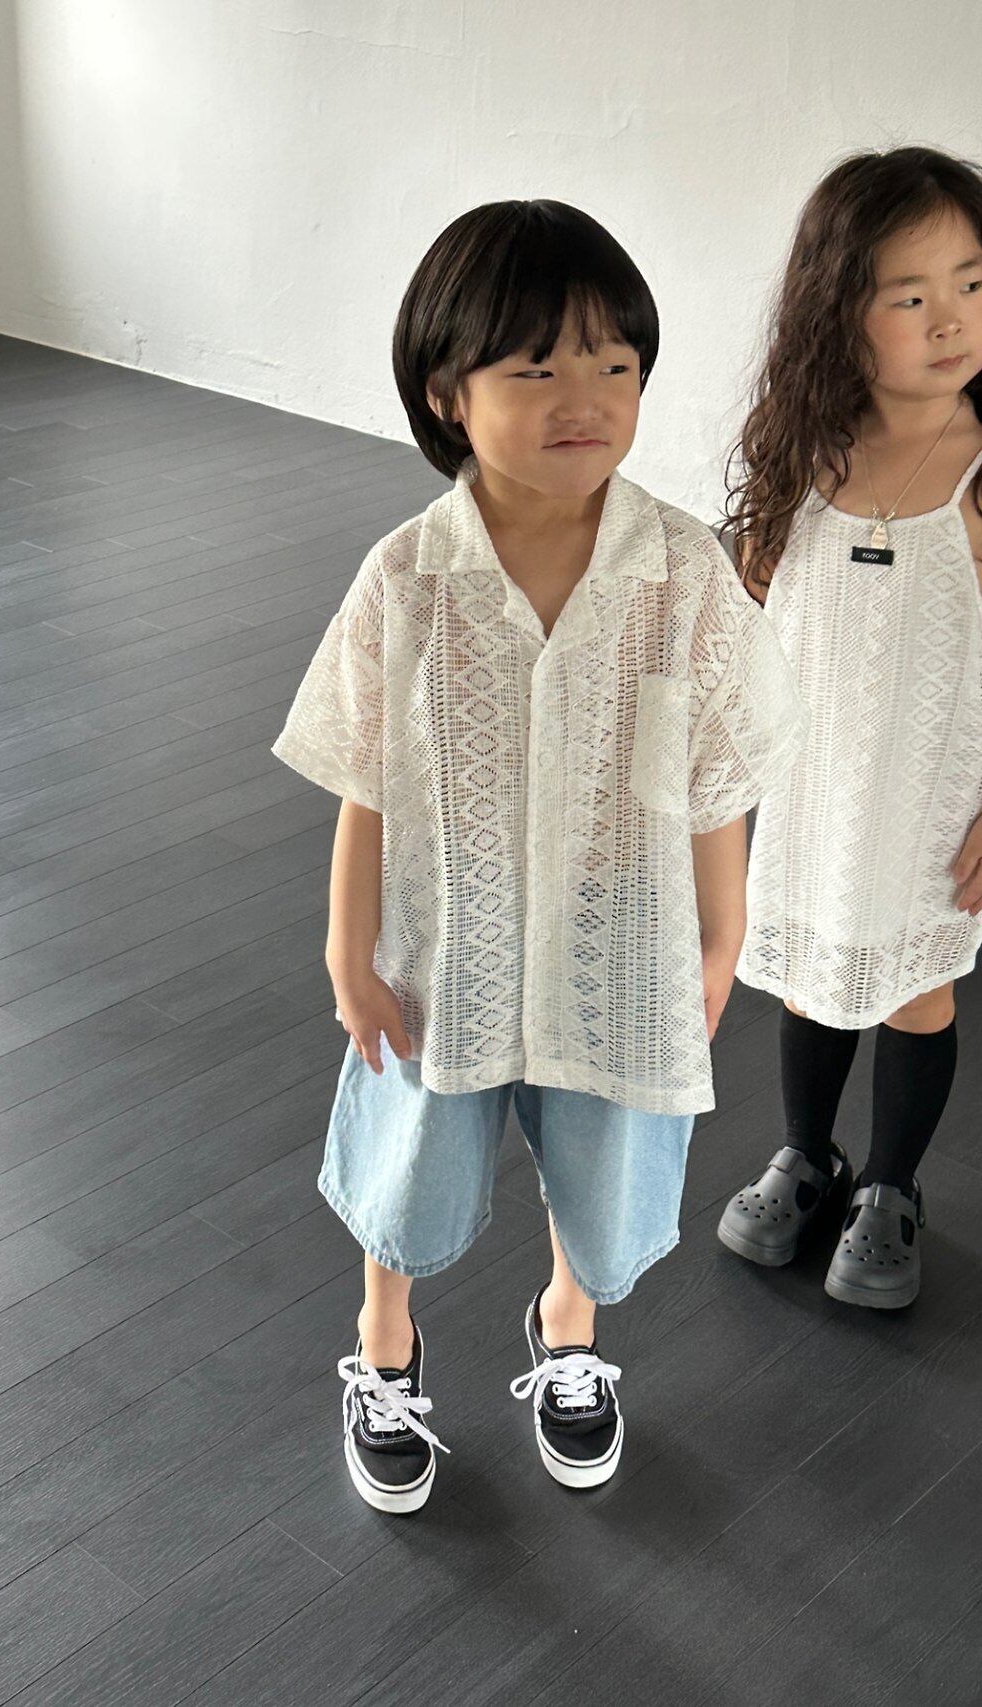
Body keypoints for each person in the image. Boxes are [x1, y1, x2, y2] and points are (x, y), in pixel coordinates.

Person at [271, 199, 805, 1513]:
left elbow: (715, 773)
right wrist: (347, 947)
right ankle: (384, 1339)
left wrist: (722, 934)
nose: (586, 399)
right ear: (446, 391)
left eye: (615, 364)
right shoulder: (407, 576)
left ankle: (568, 1328)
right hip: (443, 938)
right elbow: (368, 778)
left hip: (619, 938)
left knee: (604, 1154)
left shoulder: (682, 574)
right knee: (411, 1157)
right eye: (536, 367)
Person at [719, 146, 982, 1310]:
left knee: (912, 993)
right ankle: (804, 1155)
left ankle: (888, 1187)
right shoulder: (800, 458)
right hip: (814, 790)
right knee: (809, 980)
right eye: (908, 295)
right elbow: (758, 619)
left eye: (971, 283)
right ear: (836, 311)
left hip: (934, 800)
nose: (950, 319)